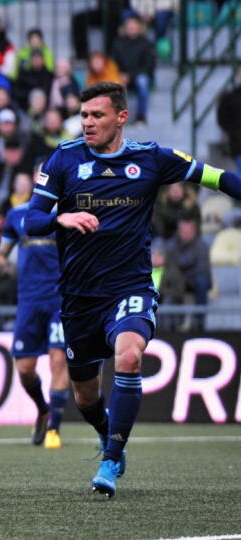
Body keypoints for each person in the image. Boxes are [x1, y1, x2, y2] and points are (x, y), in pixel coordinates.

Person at [24, 81, 241, 498]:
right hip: (79, 296)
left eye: (97, 115)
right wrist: (60, 220)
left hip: (130, 285)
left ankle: (110, 460)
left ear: (121, 117)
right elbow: (30, 221)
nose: (87, 123)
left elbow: (217, 178)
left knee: (129, 355)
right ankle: (109, 435)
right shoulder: (64, 159)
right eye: (83, 115)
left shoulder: (153, 159)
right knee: (86, 397)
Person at [0, 176, 69, 449]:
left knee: (58, 359)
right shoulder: (17, 215)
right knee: (25, 369)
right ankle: (43, 408)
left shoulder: (70, 214)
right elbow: (2, 255)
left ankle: (54, 429)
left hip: (61, 299)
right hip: (28, 301)